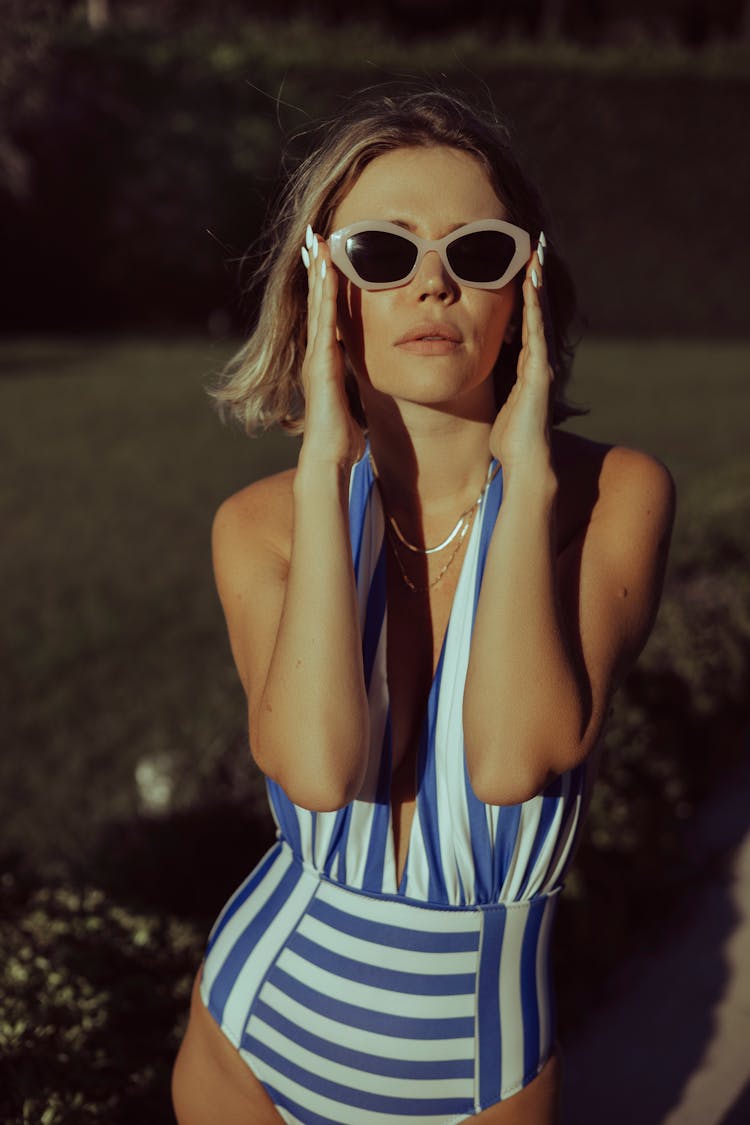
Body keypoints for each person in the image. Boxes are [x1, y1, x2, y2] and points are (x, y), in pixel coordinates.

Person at [171, 89, 675, 1125]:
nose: (433, 284)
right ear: (323, 288)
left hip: (477, 1080)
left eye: (478, 253)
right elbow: (315, 771)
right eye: (382, 253)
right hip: (249, 1040)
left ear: (527, 285)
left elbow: (511, 759)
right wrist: (324, 472)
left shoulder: (615, 496)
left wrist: (523, 478)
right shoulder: (258, 524)